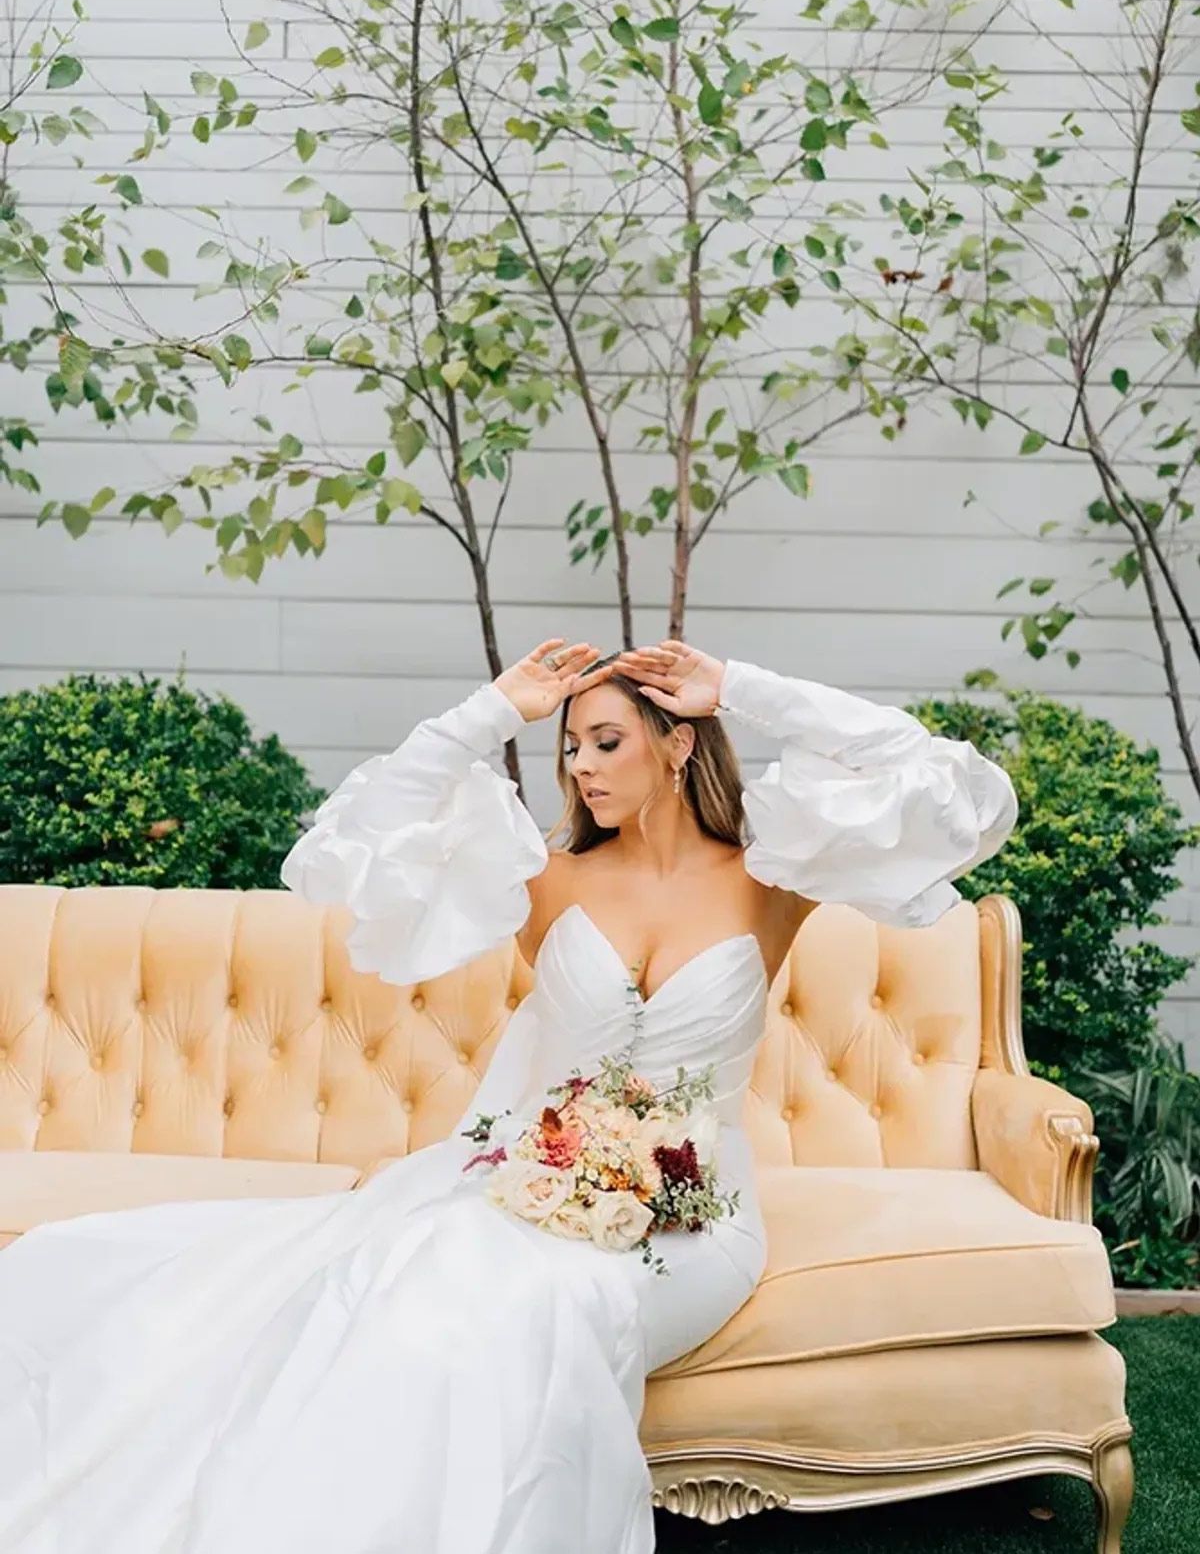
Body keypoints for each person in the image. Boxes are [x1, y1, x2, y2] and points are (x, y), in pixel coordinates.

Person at [0, 635, 1019, 1554]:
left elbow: (949, 787)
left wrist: (739, 686)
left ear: (677, 743)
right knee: (422, 1279)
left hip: (692, 1217)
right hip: (527, 1184)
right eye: (570, 745)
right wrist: (490, 711)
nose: (578, 764)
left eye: (606, 740)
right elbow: (361, 832)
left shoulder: (773, 876)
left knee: (544, 1298)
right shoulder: (547, 877)